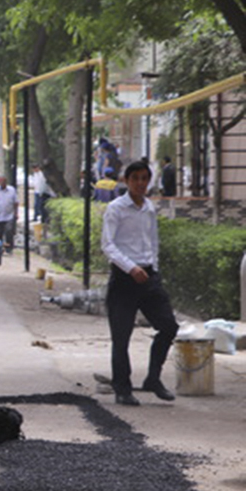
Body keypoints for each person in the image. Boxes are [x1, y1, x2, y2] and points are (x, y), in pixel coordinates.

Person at [101, 160, 179, 406]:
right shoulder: (116, 208)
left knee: (168, 326)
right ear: (126, 181)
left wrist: (152, 268)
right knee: (121, 336)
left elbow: (152, 240)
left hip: (148, 278)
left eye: (144, 178)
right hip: (124, 278)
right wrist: (130, 267)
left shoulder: (148, 208)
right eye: (135, 178)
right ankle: (122, 387)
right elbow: (108, 245)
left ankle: (153, 378)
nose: (140, 183)